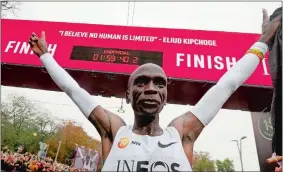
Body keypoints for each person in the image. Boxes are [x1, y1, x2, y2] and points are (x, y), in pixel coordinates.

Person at [28, 8, 281, 171]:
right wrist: (46, 57)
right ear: (127, 95)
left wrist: (264, 41)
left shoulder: (182, 133)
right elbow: (73, 90)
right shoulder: (114, 130)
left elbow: (228, 83)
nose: (151, 88)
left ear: (166, 97)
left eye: (159, 83)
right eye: (141, 82)